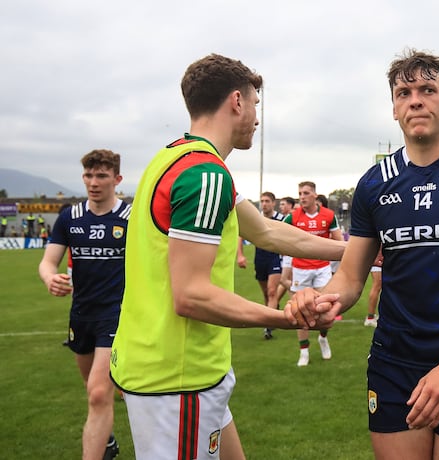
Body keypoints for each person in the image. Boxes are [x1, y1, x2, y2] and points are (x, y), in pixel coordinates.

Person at [108, 53, 345, 459]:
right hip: (178, 378)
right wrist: (284, 318)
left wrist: (366, 251)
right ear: (237, 101)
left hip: (183, 368)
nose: (257, 117)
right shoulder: (205, 175)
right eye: (256, 104)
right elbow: (192, 295)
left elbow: (268, 231)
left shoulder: (176, 157)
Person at [290, 49, 439, 459]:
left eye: (428, 89)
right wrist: (323, 298)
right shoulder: (374, 183)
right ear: (394, 108)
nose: (415, 99)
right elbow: (350, 276)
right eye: (404, 92)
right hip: (393, 363)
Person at [38, 148, 129, 460]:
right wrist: (50, 278)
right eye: (89, 175)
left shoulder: (130, 219)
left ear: (116, 179)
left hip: (116, 316)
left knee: (99, 392)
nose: (94, 181)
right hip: (81, 316)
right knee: (93, 390)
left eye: (101, 175)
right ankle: (107, 441)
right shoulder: (70, 218)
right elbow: (48, 262)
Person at [283, 181, 344, 366]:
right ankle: (304, 351)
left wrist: (337, 268)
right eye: (300, 193)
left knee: (324, 308)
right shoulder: (293, 217)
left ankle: (323, 338)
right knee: (298, 310)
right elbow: (283, 238)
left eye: (306, 193)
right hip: (300, 270)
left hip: (322, 268)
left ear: (315, 196)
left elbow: (339, 241)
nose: (302, 196)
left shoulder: (328, 215)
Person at [254, 191, 286, 339]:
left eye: (267, 201)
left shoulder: (281, 219)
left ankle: (268, 327)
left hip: (274, 257)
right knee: (267, 293)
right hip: (260, 258)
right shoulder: (256, 218)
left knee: (272, 291)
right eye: (262, 201)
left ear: (273, 203)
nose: (264, 204)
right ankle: (273, 311)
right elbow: (242, 235)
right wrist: (240, 255)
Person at [363, 249, 383, 327]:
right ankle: (370, 318)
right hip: (378, 260)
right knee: (377, 286)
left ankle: (372, 316)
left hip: (378, 259)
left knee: (378, 286)